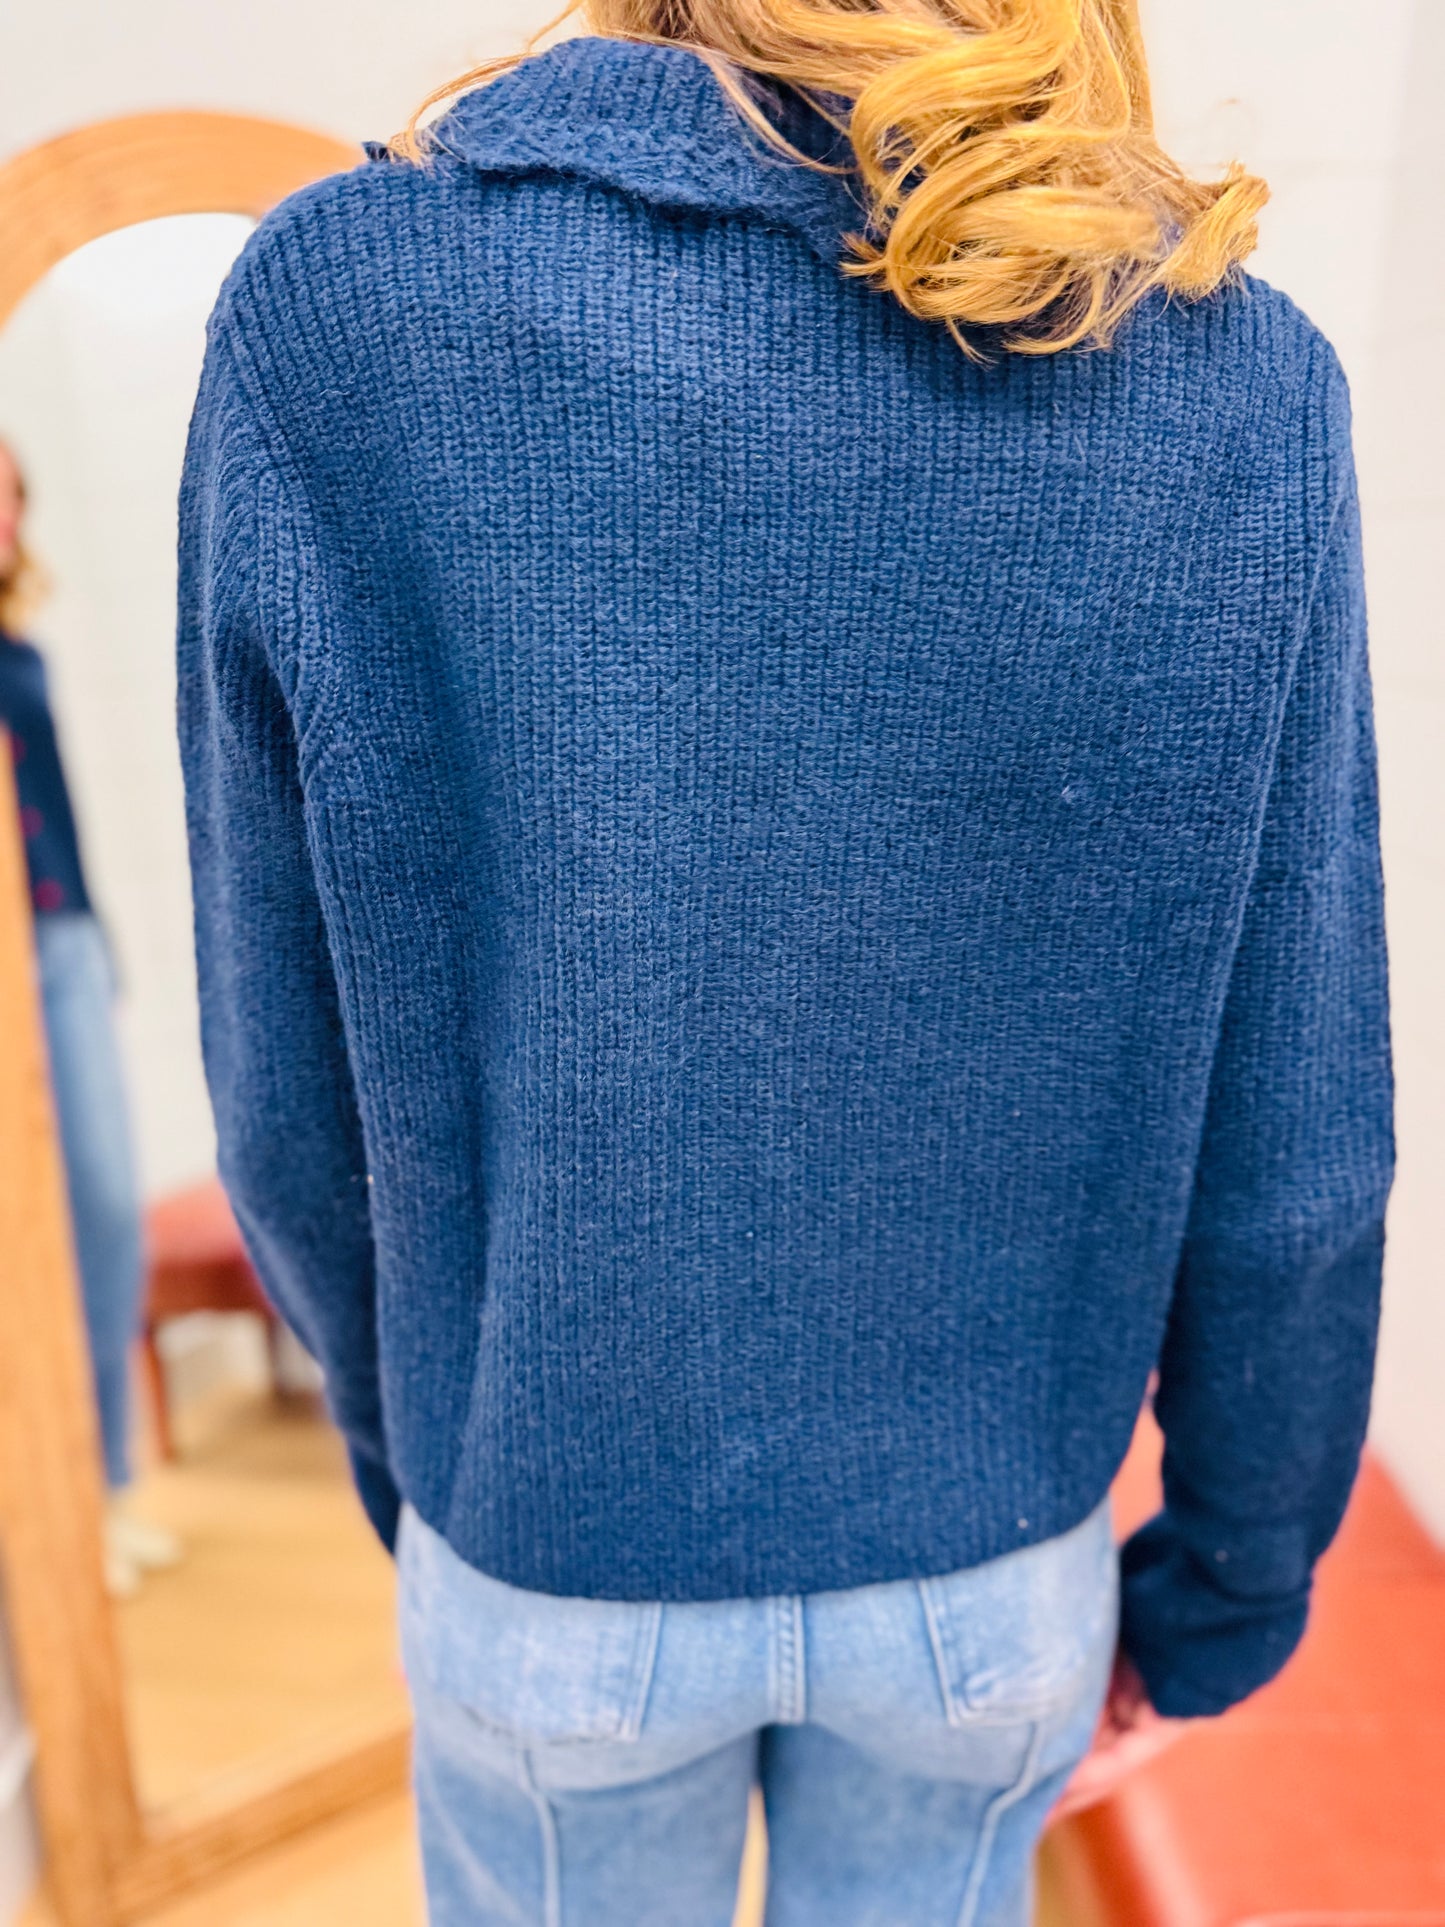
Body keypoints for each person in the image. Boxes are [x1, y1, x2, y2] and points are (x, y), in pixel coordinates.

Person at [176, 0, 1393, 1918]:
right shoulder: (1235, 380)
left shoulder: (342, 312)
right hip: (992, 1572)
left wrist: (426, 1462)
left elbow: (282, 1071)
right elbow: (1299, 1138)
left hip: (549, 1539)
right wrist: (1231, 1574)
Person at [0, 439, 179, 1598]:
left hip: (62, 944)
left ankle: (103, 1482)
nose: (7, 519)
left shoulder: (22, 647)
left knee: (107, 1211)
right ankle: (43, 1515)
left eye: (14, 496)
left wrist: (101, 945)